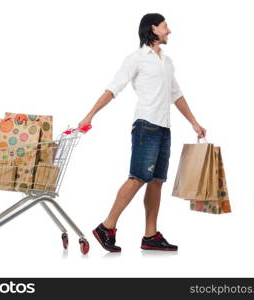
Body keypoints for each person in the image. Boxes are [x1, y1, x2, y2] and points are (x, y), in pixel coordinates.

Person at [78, 13, 206, 252]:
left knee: (156, 182)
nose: (169, 31)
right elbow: (113, 88)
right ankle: (106, 226)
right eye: (165, 26)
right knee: (137, 178)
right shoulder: (136, 59)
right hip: (145, 126)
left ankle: (150, 235)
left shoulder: (167, 62)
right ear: (153, 29)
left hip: (164, 128)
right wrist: (90, 115)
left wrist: (194, 123)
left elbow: (176, 95)